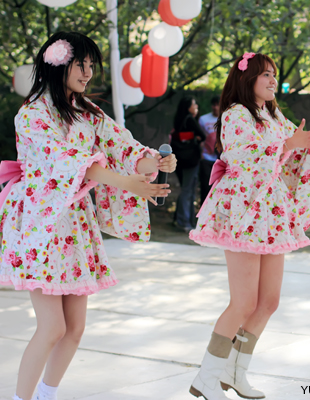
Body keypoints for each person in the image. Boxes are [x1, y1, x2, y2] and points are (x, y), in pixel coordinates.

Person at [0, 32, 176, 400]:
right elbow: (70, 163)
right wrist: (128, 183)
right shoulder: (32, 114)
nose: (88, 72)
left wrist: (155, 161)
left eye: (91, 65)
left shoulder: (87, 112)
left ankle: (47, 395)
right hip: (42, 223)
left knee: (75, 328)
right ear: (58, 63)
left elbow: (122, 146)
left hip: (75, 223)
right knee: (52, 327)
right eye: (82, 63)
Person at [187, 52, 310, 400]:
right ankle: (206, 377)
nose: (272, 80)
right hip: (243, 210)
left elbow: (293, 153)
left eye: (274, 74)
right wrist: (290, 143)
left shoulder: (272, 114)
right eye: (265, 75)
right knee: (242, 302)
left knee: (268, 301)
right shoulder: (236, 114)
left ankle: (234, 372)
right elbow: (243, 158)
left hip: (270, 213)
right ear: (247, 79)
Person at [171, 97, 205, 232]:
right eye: (193, 103)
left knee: (186, 189)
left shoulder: (178, 119)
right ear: (188, 107)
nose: (196, 105)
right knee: (188, 190)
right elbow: (202, 135)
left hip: (179, 158)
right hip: (190, 160)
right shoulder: (189, 119)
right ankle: (184, 222)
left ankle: (185, 221)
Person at [198, 96, 220, 206]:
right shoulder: (203, 119)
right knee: (205, 188)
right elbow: (199, 137)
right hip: (206, 158)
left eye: (218, 104)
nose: (215, 107)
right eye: (214, 104)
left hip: (221, 160)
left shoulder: (226, 119)